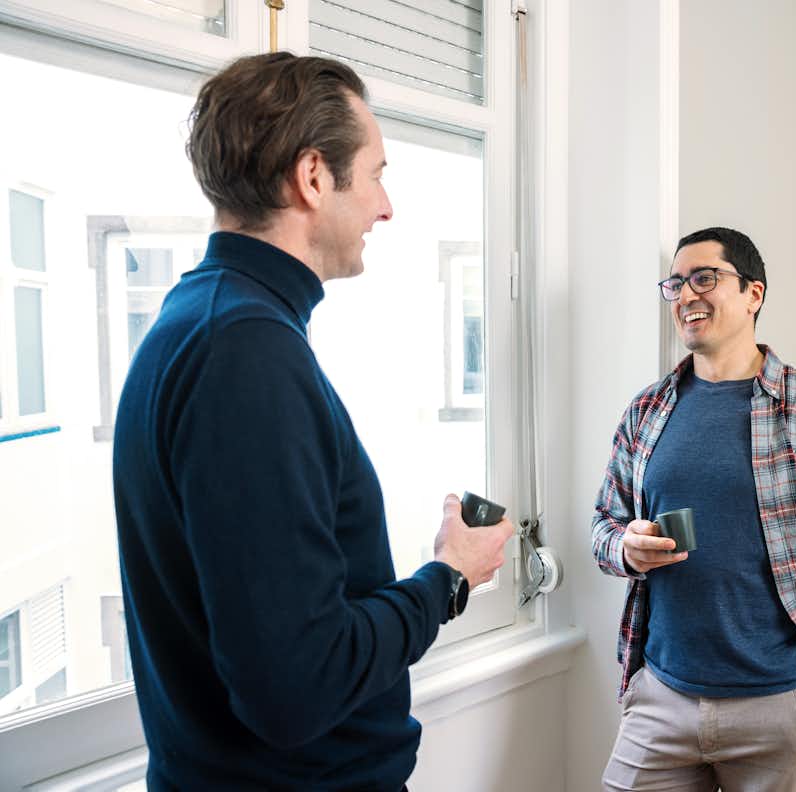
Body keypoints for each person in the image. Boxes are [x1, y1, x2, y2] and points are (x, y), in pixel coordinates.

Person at [113, 52, 514, 790]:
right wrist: (448, 577)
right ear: (312, 177)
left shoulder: (202, 320)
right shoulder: (243, 353)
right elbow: (296, 690)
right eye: (375, 175)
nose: (385, 207)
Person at [592, 227, 796, 791]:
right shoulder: (646, 410)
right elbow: (604, 522)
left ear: (754, 293)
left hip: (778, 706)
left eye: (704, 278)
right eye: (675, 283)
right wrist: (625, 546)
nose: (685, 295)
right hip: (660, 696)